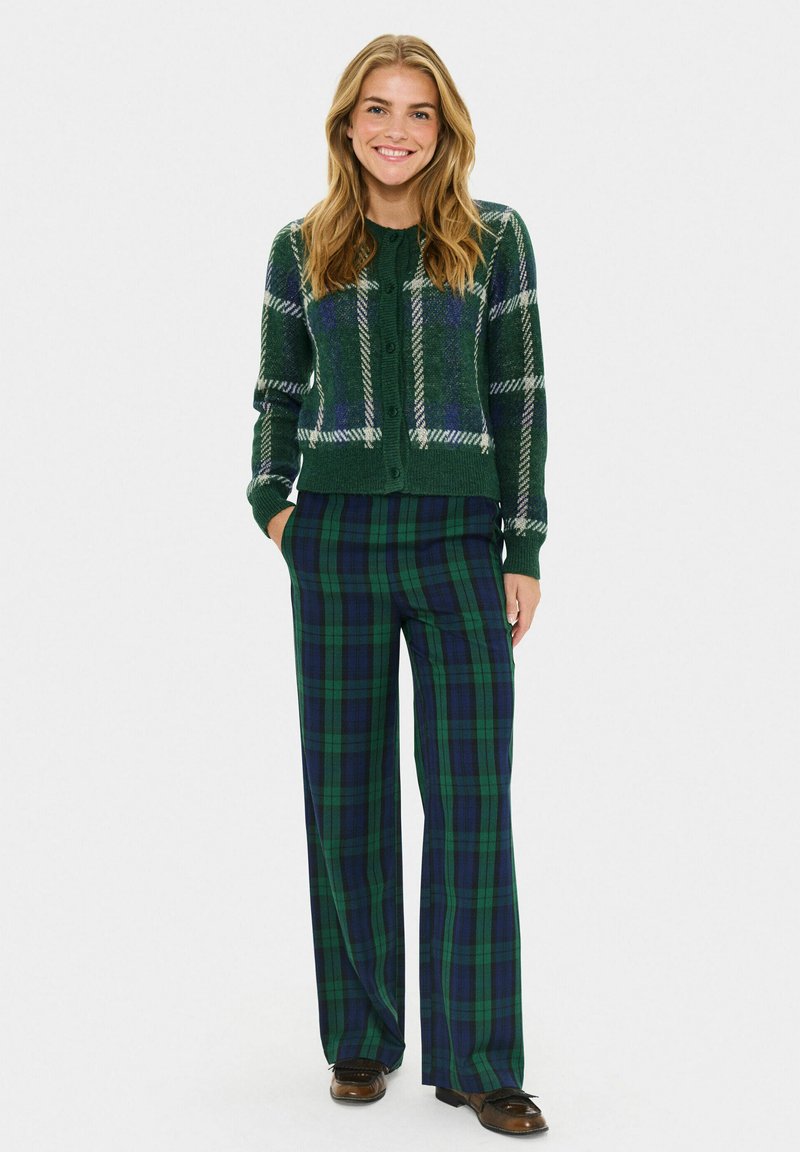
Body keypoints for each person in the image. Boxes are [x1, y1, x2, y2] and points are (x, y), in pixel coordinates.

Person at [246, 33, 549, 1138]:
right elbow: (276, 392)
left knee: (471, 798)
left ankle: (481, 1061)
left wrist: (522, 545)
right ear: (347, 123)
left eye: (419, 111)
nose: (396, 129)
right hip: (333, 542)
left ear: (444, 129)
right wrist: (274, 504)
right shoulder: (300, 247)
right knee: (346, 796)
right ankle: (362, 1040)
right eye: (377, 108)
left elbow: (519, 393)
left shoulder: (493, 239)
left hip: (458, 541)